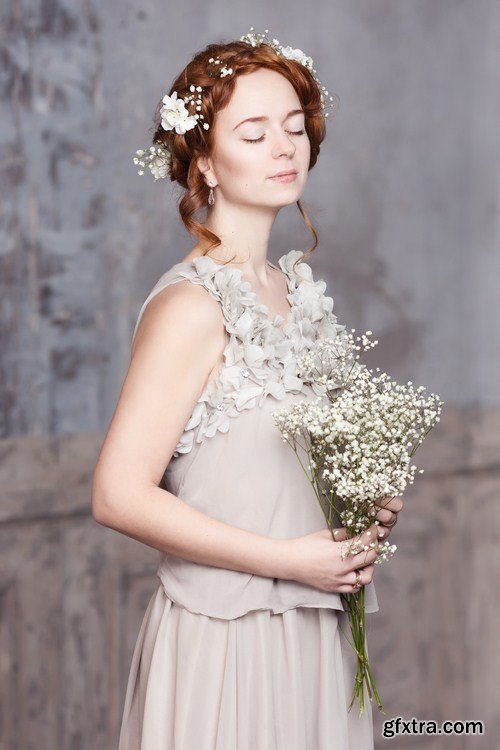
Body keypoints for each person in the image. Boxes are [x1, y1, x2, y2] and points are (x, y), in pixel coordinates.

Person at [91, 28, 403, 750]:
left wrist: (362, 502)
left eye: (294, 128)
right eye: (255, 133)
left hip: (312, 629)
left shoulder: (294, 292)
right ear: (203, 159)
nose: (285, 147)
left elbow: (272, 467)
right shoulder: (190, 306)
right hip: (228, 639)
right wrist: (289, 561)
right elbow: (117, 493)